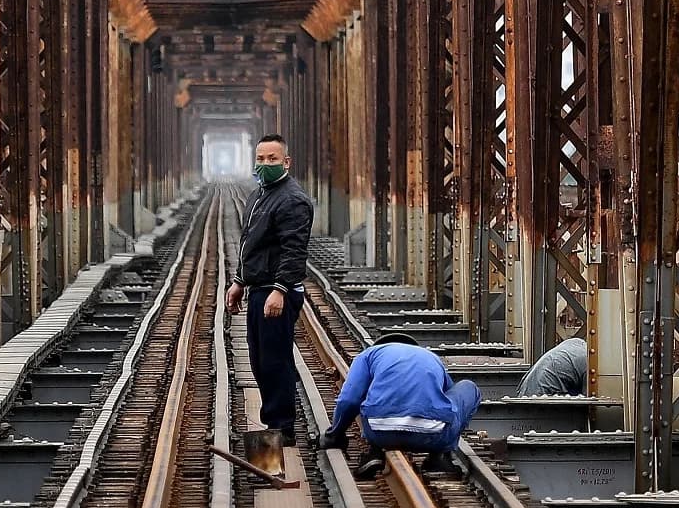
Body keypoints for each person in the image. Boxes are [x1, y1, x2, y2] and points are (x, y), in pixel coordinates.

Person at [225, 134, 314, 440]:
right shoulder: (259, 196)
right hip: (259, 287)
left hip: (277, 291)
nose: (265, 164)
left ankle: (281, 427)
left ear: (286, 162)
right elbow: (252, 244)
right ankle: (274, 421)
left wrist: (280, 289)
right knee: (259, 359)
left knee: (275, 358)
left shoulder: (292, 199)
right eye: (261, 159)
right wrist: (239, 281)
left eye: (272, 159)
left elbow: (294, 250)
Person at [320, 333, 481, 478]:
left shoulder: (368, 355)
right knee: (468, 387)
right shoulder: (430, 357)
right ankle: (439, 458)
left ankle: (375, 452)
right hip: (432, 436)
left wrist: (335, 435)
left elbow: (349, 400)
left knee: (370, 395)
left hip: (379, 433)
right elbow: (447, 401)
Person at [518, 335, 589, 397]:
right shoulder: (588, 359)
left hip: (527, 392)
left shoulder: (575, 347)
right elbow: (589, 396)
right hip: (541, 397)